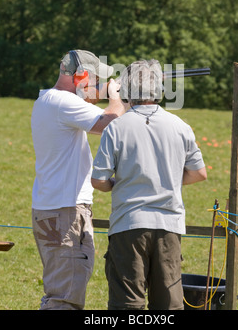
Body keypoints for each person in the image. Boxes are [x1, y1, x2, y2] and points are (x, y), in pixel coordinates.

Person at [91, 59, 207, 310]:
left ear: (128, 91)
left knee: (127, 305)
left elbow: (98, 181)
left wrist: (119, 183)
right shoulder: (181, 126)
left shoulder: (116, 128)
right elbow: (199, 173)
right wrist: (165, 180)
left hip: (128, 224)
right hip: (169, 225)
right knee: (168, 306)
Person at [31, 49, 126, 310]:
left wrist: (109, 94)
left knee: (60, 293)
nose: (97, 87)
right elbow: (109, 123)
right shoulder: (63, 102)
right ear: (81, 76)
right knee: (65, 300)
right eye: (95, 81)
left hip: (55, 210)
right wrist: (116, 97)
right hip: (65, 213)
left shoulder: (49, 101)